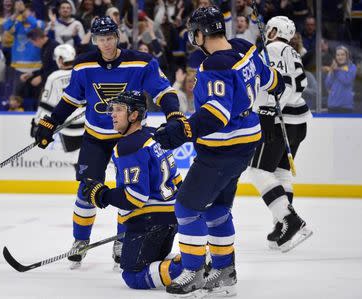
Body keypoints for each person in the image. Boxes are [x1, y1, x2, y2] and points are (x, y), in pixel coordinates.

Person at [153, 6, 285, 297]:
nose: (192, 36)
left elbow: (216, 115)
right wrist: (278, 83)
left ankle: (193, 272)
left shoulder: (216, 66)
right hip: (245, 144)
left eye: (194, 31)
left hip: (221, 150)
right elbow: (271, 80)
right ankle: (225, 273)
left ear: (200, 34)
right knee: (216, 209)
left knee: (186, 207)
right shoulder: (245, 48)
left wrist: (182, 131)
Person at [33, 16, 183, 270]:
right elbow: (71, 99)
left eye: (110, 38)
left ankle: (122, 241)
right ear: (94, 40)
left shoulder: (141, 62)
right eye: (101, 39)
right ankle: (80, 241)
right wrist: (51, 122)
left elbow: (163, 91)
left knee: (128, 192)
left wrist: (174, 114)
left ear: (118, 37)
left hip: (129, 139)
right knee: (86, 190)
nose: (106, 44)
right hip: (95, 138)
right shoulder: (83, 65)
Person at [81, 90, 184, 289]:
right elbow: (177, 180)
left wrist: (101, 194)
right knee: (153, 262)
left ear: (134, 115)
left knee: (133, 275)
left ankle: (190, 266)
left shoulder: (128, 146)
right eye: (113, 109)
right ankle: (190, 259)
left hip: (149, 222)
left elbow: (135, 197)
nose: (112, 114)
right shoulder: (155, 135)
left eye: (119, 110)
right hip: (171, 218)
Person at [246, 16, 313, 252]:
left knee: (257, 170)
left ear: (275, 30)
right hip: (299, 121)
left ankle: (289, 220)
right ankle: (280, 226)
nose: (267, 32)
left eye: (270, 28)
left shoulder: (273, 49)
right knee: (281, 172)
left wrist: (267, 111)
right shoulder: (291, 51)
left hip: (279, 119)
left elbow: (282, 84)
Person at [30, 44, 86, 153]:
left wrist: (37, 124)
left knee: (76, 161)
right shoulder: (83, 72)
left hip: (69, 128)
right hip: (88, 125)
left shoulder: (54, 77)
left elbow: (46, 105)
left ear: (60, 59)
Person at [324, 45, 357, 113]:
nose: (340, 57)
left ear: (347, 56)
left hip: (346, 105)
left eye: (342, 55)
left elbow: (347, 81)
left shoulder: (352, 67)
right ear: (335, 57)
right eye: (338, 55)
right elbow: (327, 84)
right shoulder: (333, 67)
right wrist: (332, 71)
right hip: (332, 105)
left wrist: (337, 70)